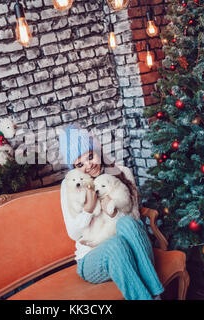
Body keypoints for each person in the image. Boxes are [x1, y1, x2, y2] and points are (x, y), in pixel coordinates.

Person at [58, 124, 164, 300]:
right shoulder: (70, 186)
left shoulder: (123, 173)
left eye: (90, 156)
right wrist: (88, 210)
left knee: (127, 223)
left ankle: (155, 296)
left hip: (130, 244)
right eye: (79, 163)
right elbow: (74, 233)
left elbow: (134, 221)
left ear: (97, 151)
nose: (89, 165)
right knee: (115, 245)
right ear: (74, 167)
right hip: (92, 257)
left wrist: (114, 212)